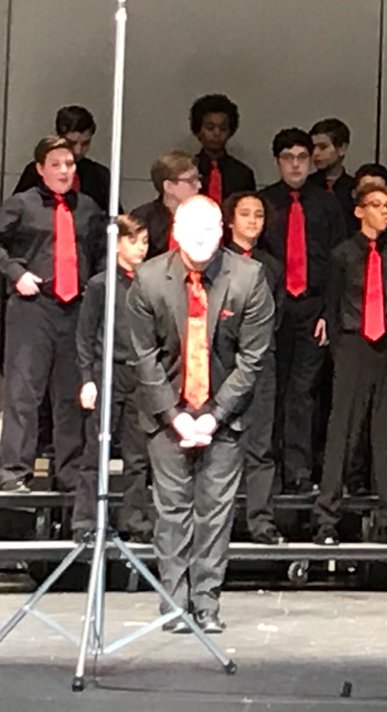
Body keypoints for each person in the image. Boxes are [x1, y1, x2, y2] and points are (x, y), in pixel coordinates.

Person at [127, 195, 274, 633]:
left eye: (210, 231)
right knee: (171, 512)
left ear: (222, 231)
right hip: (167, 414)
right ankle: (173, 602)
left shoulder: (248, 278)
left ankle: (206, 603)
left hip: (224, 415)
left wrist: (214, 416)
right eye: (193, 231)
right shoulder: (150, 278)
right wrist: (175, 416)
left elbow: (252, 360)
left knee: (214, 512)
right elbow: (143, 356)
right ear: (175, 231)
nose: (203, 240)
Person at [314, 180, 387, 547]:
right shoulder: (343, 254)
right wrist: (340, 344)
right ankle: (327, 516)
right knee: (343, 427)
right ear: (359, 211)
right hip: (354, 342)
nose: (385, 211)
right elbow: (334, 299)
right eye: (376, 205)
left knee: (386, 429)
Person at [0, 136, 103, 492]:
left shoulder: (87, 207)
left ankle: (69, 472)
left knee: (70, 393)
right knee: (24, 390)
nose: (63, 170)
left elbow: (103, 250)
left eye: (69, 164)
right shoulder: (21, 204)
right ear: (40, 168)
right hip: (33, 306)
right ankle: (14, 471)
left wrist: (96, 285)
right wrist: (16, 273)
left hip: (74, 308)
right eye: (56, 164)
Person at [259, 128, 345, 492]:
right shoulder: (263, 202)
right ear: (277, 161)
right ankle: (268, 466)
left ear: (312, 161)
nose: (295, 165)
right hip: (272, 309)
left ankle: (298, 469)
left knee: (303, 391)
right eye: (288, 158)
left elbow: (340, 260)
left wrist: (329, 311)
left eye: (302, 158)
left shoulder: (327, 204)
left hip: (313, 307)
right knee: (270, 389)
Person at [72, 212, 153, 541]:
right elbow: (84, 336)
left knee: (137, 455)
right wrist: (87, 377)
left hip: (140, 374)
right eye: (133, 241)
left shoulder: (150, 283)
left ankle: (134, 519)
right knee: (97, 450)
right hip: (108, 371)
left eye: (145, 241)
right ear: (117, 244)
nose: (140, 248)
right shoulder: (100, 284)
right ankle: (86, 521)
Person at [224, 191, 287, 545]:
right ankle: (218, 518)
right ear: (230, 221)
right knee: (220, 443)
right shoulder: (216, 260)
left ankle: (261, 520)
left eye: (259, 215)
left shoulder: (271, 265)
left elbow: (274, 314)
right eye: (245, 214)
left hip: (261, 358)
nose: (252, 221)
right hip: (222, 361)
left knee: (260, 443)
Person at [14, 105, 113, 210]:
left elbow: (116, 219)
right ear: (59, 138)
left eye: (85, 143)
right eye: (71, 143)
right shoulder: (35, 172)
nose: (77, 150)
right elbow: (17, 210)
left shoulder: (100, 175)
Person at [130, 152, 201, 257]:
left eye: (198, 178)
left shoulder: (204, 216)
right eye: (191, 181)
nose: (199, 185)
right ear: (168, 187)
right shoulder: (143, 218)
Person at [191, 94, 256, 206]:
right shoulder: (188, 171)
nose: (217, 133)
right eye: (210, 128)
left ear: (231, 132)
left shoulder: (242, 174)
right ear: (198, 131)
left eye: (223, 128)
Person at [311, 117, 356, 230]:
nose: (315, 153)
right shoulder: (306, 187)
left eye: (323, 147)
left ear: (342, 148)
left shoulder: (355, 188)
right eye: (313, 148)